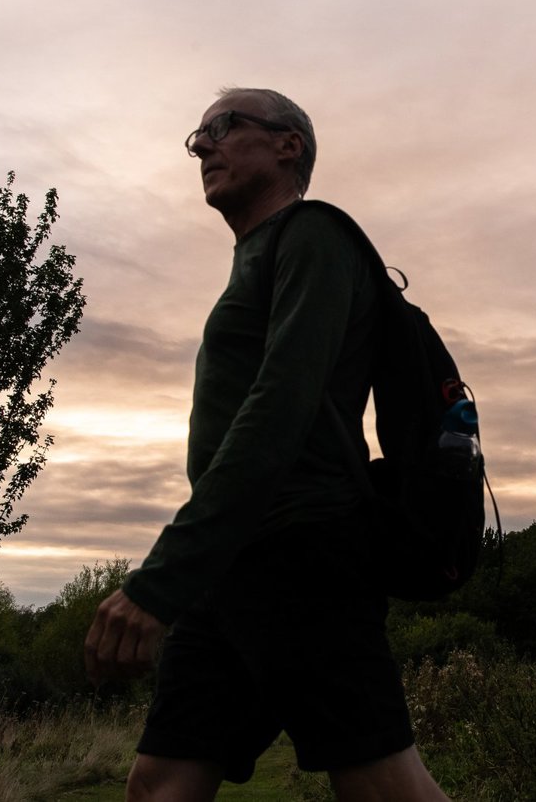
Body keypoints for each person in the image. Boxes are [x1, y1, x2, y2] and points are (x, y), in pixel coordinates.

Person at [85, 88, 450, 802]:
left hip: (304, 549)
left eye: (222, 127)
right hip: (234, 561)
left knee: (385, 788)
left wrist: (161, 579)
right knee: (159, 784)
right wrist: (198, 567)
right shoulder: (255, 257)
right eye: (197, 135)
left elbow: (279, 408)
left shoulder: (313, 235)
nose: (201, 146)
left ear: (289, 146)